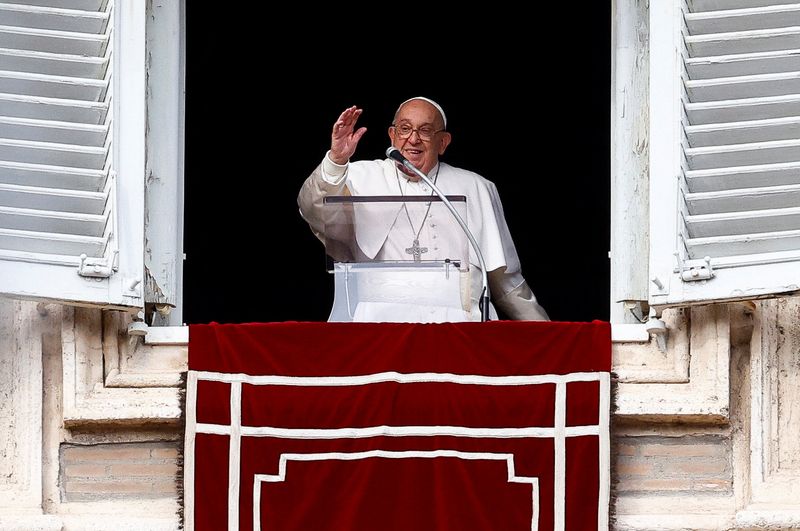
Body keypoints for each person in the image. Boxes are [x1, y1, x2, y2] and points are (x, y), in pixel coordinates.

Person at [298, 96, 549, 322]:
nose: (413, 139)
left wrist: (547, 334)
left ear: (443, 142)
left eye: (425, 131)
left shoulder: (476, 187)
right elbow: (313, 210)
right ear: (392, 135)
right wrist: (336, 161)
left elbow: (506, 281)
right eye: (405, 129)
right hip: (381, 327)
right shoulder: (356, 177)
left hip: (462, 329)